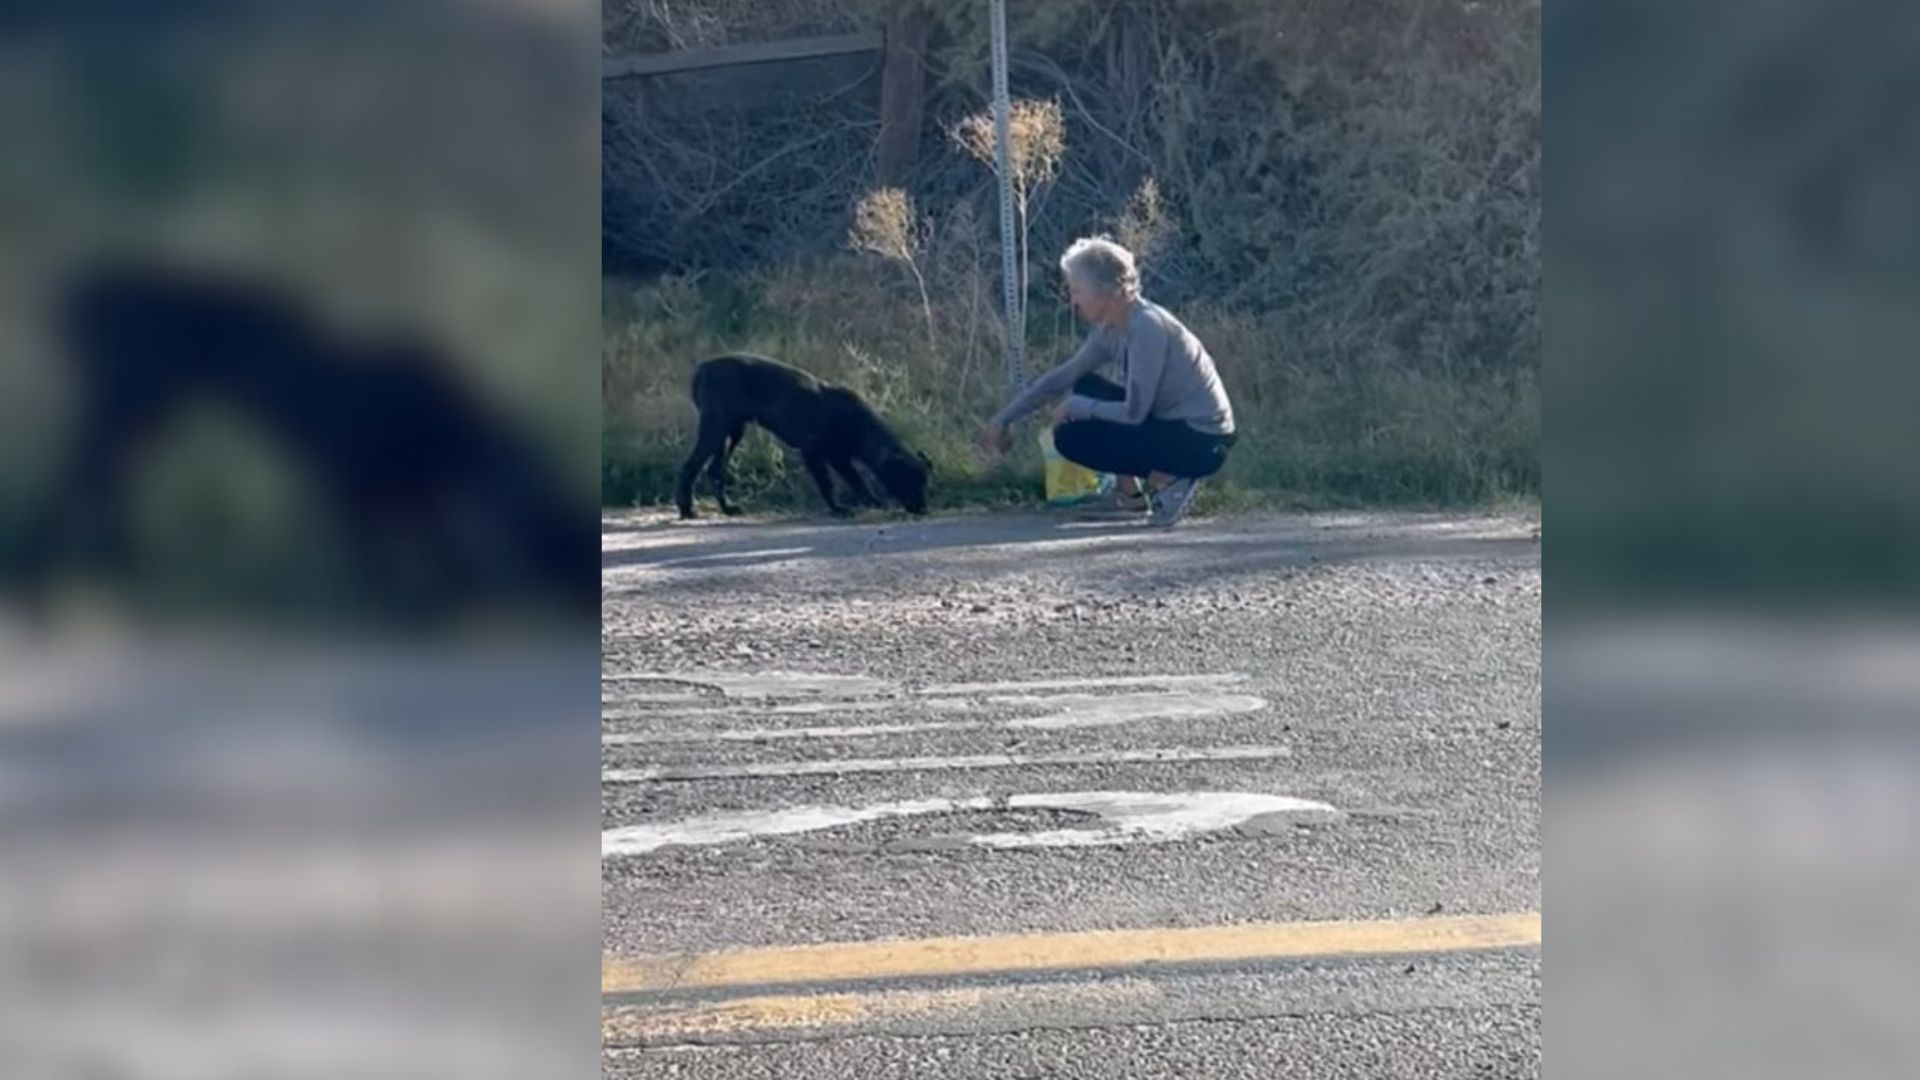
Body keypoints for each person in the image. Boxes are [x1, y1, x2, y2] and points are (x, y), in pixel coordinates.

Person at [978, 236, 1236, 526]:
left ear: (1106, 291)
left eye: (1077, 291)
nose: (1073, 301)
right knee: (1087, 385)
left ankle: (1172, 480)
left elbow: (1134, 413)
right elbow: (1062, 377)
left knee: (1070, 436)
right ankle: (1130, 497)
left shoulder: (1147, 328)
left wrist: (1078, 407)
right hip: (1173, 426)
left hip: (1202, 441)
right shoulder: (1112, 328)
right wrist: (1002, 420)